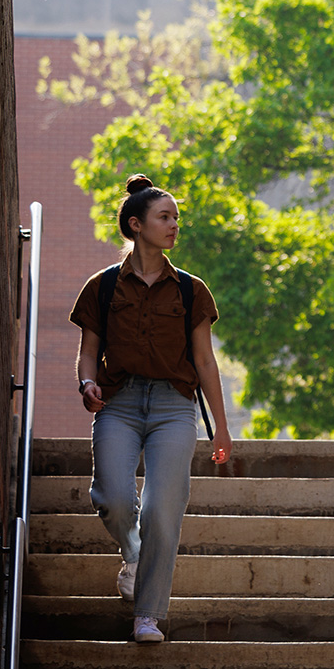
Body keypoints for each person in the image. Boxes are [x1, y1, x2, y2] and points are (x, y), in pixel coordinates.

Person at [69, 174, 233, 644]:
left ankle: (148, 614)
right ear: (136, 225)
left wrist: (221, 428)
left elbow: (204, 360)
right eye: (165, 217)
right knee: (114, 498)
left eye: (177, 218)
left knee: (164, 507)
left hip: (172, 407)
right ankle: (134, 552)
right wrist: (86, 382)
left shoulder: (190, 290)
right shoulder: (101, 287)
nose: (174, 225)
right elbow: (88, 351)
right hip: (117, 403)